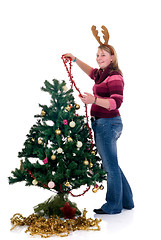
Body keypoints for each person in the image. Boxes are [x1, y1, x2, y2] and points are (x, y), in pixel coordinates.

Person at [63, 26, 134, 214]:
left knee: (109, 166)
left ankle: (113, 206)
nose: (99, 58)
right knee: (112, 163)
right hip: (102, 124)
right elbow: (91, 71)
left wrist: (93, 100)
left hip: (108, 124)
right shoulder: (102, 74)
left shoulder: (115, 76)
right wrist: (75, 59)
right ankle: (127, 200)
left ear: (112, 57)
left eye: (103, 55)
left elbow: (115, 103)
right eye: (97, 55)